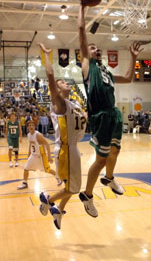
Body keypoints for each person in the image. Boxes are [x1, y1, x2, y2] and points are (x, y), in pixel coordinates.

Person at [78, 2, 143, 217]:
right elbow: (80, 30)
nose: (96, 48)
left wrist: (133, 57)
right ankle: (87, 195)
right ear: (85, 54)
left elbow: (127, 77)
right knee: (101, 159)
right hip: (100, 116)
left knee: (115, 151)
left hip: (113, 113)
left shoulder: (106, 70)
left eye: (98, 47)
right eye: (92, 46)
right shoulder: (88, 66)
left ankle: (109, 178)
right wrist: (82, 7)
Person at [38, 43, 86, 230]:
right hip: (66, 150)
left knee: (70, 186)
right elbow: (50, 77)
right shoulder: (59, 103)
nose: (66, 83)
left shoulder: (73, 104)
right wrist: (47, 56)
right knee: (74, 188)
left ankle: (58, 211)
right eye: (62, 83)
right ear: (57, 91)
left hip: (72, 149)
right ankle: (47, 199)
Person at [17, 120, 59, 189]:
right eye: (29, 125)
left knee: (47, 170)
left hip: (41, 156)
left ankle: (58, 177)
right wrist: (28, 155)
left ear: (34, 126)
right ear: (27, 127)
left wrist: (49, 156)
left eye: (32, 125)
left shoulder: (38, 135)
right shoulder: (29, 135)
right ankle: (25, 183)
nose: (31, 126)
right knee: (26, 168)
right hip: (33, 155)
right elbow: (30, 145)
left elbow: (47, 144)